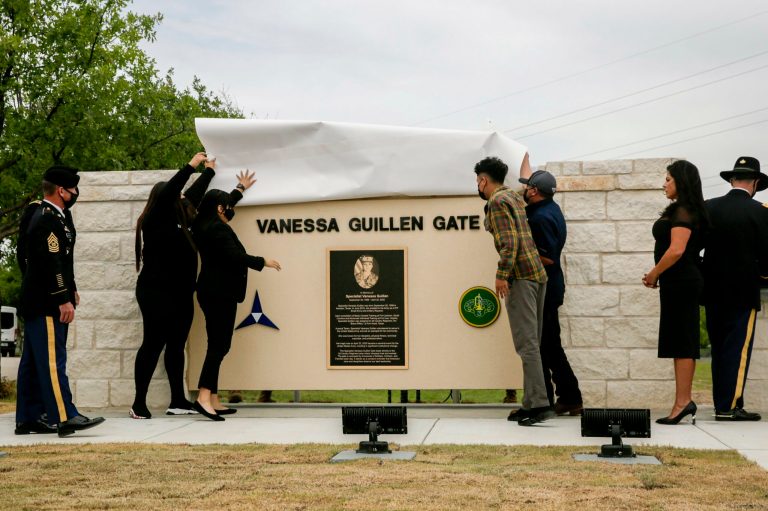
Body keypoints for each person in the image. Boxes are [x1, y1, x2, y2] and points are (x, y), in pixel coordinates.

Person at [131, 153, 253, 419]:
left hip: (181, 293)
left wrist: (224, 182)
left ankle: (177, 400)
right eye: (174, 198)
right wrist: (191, 166)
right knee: (153, 343)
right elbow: (175, 190)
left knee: (176, 344)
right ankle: (138, 403)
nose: (181, 200)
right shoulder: (155, 219)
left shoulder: (183, 218)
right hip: (155, 291)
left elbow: (203, 200)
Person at [15, 166, 105, 437]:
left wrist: (71, 287)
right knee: (54, 361)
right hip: (46, 304)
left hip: (37, 299)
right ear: (61, 191)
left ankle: (29, 417)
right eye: (74, 189)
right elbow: (51, 262)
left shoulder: (50, 215)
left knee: (32, 363)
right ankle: (66, 416)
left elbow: (61, 260)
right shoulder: (46, 218)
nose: (76, 193)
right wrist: (62, 298)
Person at [474, 156, 555, 426]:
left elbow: (509, 243)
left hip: (520, 278)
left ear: (484, 180)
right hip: (537, 276)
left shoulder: (496, 202)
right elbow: (525, 187)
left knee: (527, 344)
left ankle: (540, 404)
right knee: (533, 342)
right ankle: (531, 402)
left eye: (478, 180)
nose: (478, 185)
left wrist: (501, 276)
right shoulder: (512, 196)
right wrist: (525, 161)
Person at [192, 185, 282, 420]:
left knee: (218, 345)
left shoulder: (203, 225)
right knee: (219, 346)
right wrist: (263, 261)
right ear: (220, 209)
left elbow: (215, 202)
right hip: (219, 293)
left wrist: (239, 189)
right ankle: (203, 397)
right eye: (228, 207)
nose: (230, 210)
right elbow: (235, 256)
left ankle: (212, 397)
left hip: (212, 291)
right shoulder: (218, 230)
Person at [702, 156, 768, 421]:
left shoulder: (709, 207)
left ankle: (726, 403)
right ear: (754, 183)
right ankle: (728, 408)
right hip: (743, 291)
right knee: (737, 350)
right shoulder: (762, 211)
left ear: (732, 180)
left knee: (719, 350)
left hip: (713, 290)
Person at [642, 160, 707, 425]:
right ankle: (682, 401)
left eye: (668, 179)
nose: (664, 184)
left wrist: (655, 272)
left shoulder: (684, 210)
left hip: (682, 282)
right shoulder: (684, 209)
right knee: (680, 343)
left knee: (683, 343)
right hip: (677, 282)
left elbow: (677, 250)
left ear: (681, 180)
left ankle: (683, 402)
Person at [519, 170, 583, 416]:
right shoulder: (547, 210)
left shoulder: (541, 217)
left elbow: (547, 257)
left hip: (543, 288)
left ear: (534, 190)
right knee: (545, 344)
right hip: (550, 287)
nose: (524, 190)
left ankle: (568, 396)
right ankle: (553, 397)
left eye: (527, 187)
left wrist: (518, 261)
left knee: (547, 345)